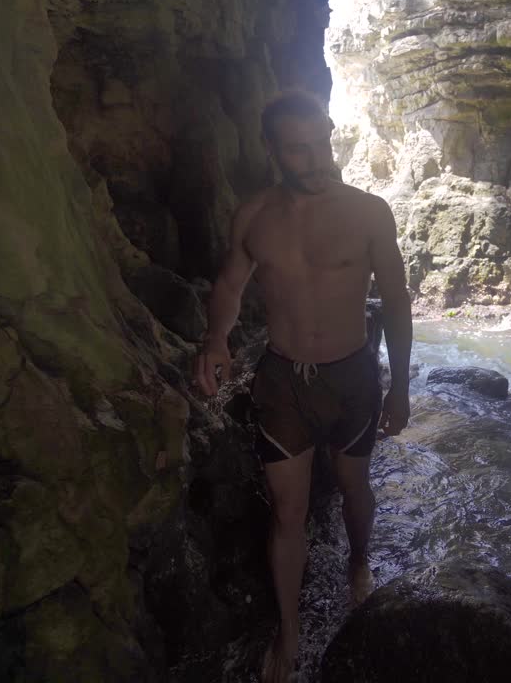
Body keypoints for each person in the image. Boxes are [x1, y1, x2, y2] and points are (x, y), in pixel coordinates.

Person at [192, 90, 412, 683]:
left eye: (322, 144)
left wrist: (401, 387)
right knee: (288, 512)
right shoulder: (254, 216)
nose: (316, 160)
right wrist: (216, 339)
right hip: (284, 379)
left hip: (353, 375)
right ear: (273, 151)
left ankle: (359, 560)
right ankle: (288, 634)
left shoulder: (369, 211)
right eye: (299, 151)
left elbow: (395, 302)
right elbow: (230, 285)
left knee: (351, 485)